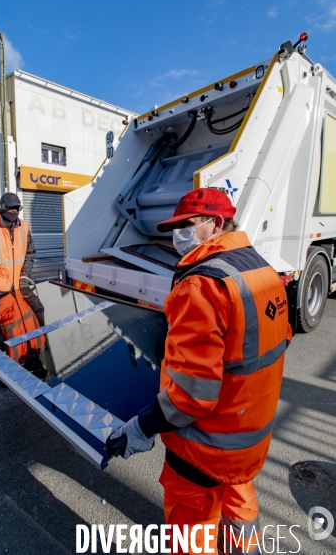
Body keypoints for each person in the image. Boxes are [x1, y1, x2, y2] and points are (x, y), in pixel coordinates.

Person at [106, 188, 292, 555]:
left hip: (203, 449)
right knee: (240, 510)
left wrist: (143, 427)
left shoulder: (201, 285)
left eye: (188, 225)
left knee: (192, 534)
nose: (178, 236)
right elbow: (278, 340)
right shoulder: (263, 271)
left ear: (216, 224)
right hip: (247, 440)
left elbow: (193, 394)